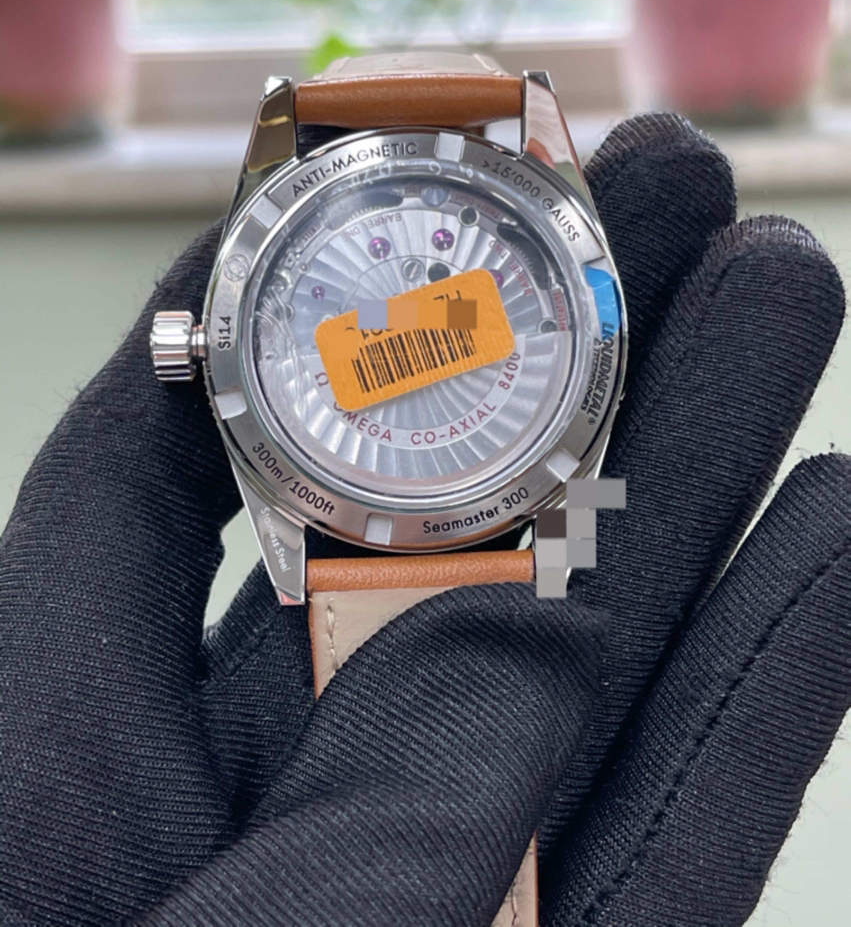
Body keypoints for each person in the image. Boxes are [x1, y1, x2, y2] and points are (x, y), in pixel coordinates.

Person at [0, 114, 848, 927]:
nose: (408, 326)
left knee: (602, 510)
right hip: (396, 487)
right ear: (206, 345)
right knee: (606, 523)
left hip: (495, 470)